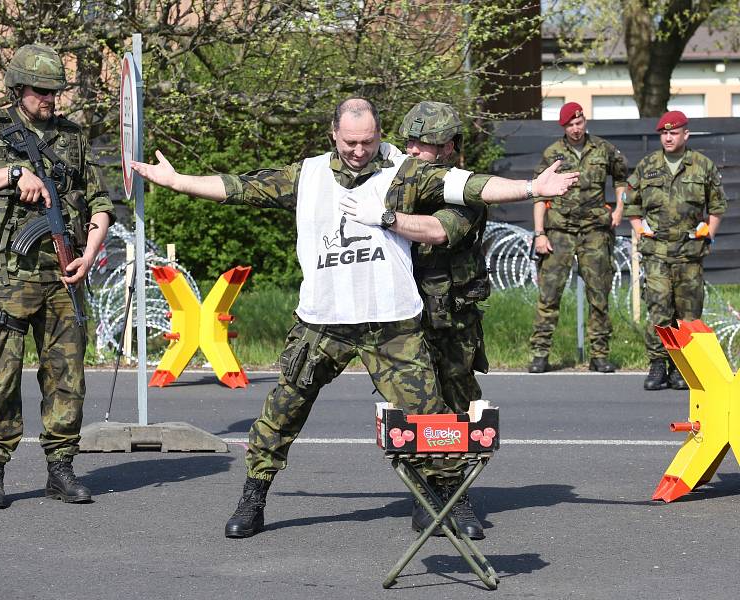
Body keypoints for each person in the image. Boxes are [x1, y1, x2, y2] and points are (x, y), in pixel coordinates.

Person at [131, 97, 577, 539]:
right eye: (350, 142)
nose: (359, 151)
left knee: (430, 416)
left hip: (392, 322)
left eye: (367, 141)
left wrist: (533, 188)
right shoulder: (306, 175)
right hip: (324, 320)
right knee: (284, 409)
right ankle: (254, 496)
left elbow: (472, 185)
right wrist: (178, 182)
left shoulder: (404, 172)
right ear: (334, 135)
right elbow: (240, 187)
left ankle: (451, 499)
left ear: (379, 136)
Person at [0, 44, 114, 508]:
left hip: (63, 276)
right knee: (3, 375)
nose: (50, 99)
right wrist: (12, 172)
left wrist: (89, 254)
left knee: (68, 377)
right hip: (6, 276)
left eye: (55, 92)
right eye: (41, 91)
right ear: (18, 88)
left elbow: (99, 203)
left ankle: (61, 468)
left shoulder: (73, 138)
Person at [397, 101, 490, 540]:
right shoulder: (396, 184)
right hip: (407, 317)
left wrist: (386, 218)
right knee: (415, 407)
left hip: (452, 320)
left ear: (450, 147)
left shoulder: (467, 191)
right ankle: (423, 495)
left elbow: (439, 230)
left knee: (455, 408)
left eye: (425, 144)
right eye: (410, 142)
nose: (413, 150)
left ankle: (457, 499)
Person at [624, 110, 726, 390]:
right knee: (659, 308)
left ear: (685, 134)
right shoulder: (647, 166)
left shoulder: (702, 166)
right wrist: (640, 230)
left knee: (688, 312)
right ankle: (658, 365)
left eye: (673, 132)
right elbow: (630, 203)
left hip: (690, 253)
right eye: (664, 133)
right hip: (656, 252)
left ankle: (683, 368)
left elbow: (717, 206)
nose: (667, 137)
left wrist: (709, 235)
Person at [528, 102, 629, 374]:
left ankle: (599, 355)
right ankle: (539, 354)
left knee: (599, 295)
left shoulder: (604, 150)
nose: (575, 129)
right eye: (570, 125)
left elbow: (622, 180)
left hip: (595, 231)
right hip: (559, 231)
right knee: (549, 295)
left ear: (585, 121)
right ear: (564, 127)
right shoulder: (553, 154)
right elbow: (539, 194)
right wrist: (539, 233)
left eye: (579, 122)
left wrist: (620, 208)